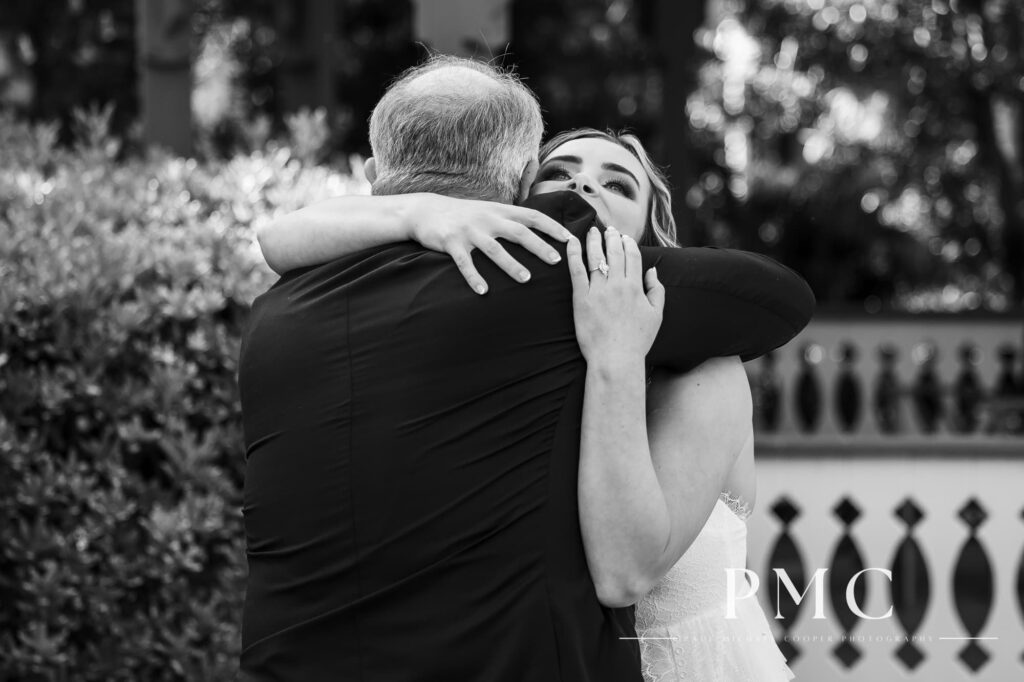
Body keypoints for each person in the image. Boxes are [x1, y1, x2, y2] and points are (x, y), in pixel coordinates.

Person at [239, 55, 810, 682]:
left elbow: (624, 573)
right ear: (518, 190)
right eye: (559, 175)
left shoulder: (704, 371)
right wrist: (420, 213)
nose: (582, 193)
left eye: (617, 185)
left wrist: (617, 356)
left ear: (655, 233)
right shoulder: (528, 291)